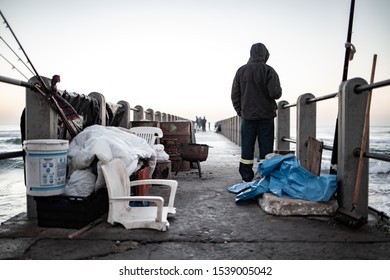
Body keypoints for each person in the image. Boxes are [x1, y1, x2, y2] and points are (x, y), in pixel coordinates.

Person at [231, 42, 282, 182]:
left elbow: (235, 95)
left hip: (247, 117)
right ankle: (264, 177)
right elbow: (275, 93)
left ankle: (246, 178)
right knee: (266, 149)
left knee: (247, 149)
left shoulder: (241, 71)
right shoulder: (269, 70)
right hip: (266, 116)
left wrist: (240, 111)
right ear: (265, 54)